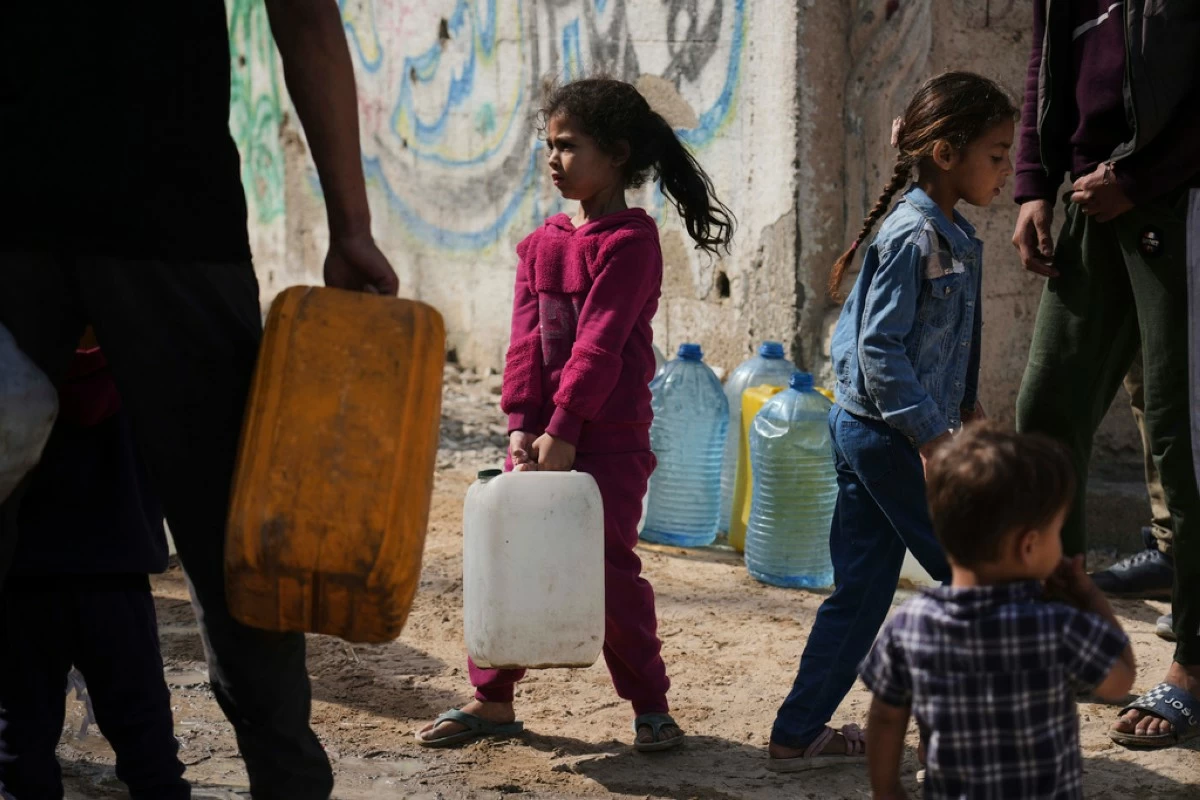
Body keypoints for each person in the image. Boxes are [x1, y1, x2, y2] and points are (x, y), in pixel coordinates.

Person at [0, 3, 398, 796]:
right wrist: (349, 223)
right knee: (235, 543)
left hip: (76, 221)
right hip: (169, 215)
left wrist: (353, 223)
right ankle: (286, 780)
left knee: (236, 543)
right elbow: (307, 16)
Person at [415, 77, 734, 752]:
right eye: (548, 145)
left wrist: (565, 429)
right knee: (510, 560)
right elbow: (526, 345)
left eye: (569, 146)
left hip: (609, 443)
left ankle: (650, 704)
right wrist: (522, 427)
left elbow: (601, 345)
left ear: (616, 154)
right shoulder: (540, 245)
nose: (554, 159)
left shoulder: (631, 243)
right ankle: (492, 699)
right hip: (540, 440)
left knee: (607, 569)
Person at [766, 72, 1017, 771]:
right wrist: (932, 437)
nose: (1006, 169)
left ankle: (797, 733)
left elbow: (947, 337)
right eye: (996, 155)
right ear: (945, 152)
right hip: (887, 438)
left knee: (865, 589)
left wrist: (965, 410)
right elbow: (877, 347)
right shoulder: (913, 235)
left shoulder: (953, 233)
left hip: (881, 432)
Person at [1011, 0, 1200, 748]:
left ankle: (1192, 662)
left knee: (1183, 439)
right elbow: (1045, 68)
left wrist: (1147, 172)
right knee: (1046, 416)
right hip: (1093, 199)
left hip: (1181, 199)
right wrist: (1032, 184)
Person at [861, 424, 1135, 800]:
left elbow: (887, 717)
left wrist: (887, 789)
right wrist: (1090, 598)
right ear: (1029, 546)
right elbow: (1120, 681)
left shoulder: (910, 625)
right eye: (1056, 532)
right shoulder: (1058, 627)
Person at [0, 344, 189, 799]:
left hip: (23, 577)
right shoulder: (140, 364)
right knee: (147, 746)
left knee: (19, 751)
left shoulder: (16, 365)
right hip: (116, 579)